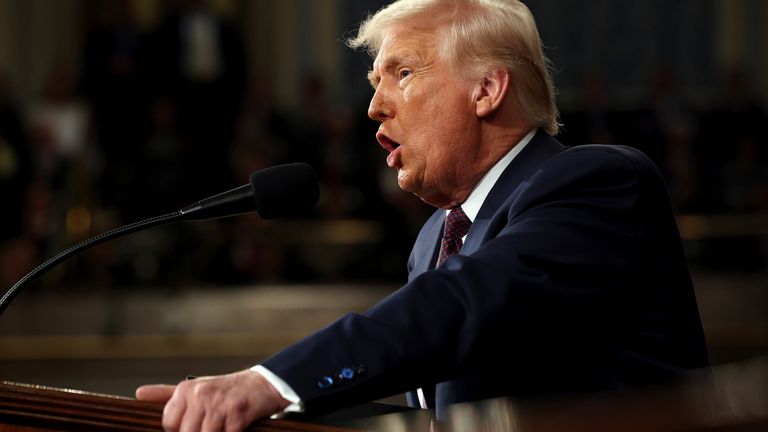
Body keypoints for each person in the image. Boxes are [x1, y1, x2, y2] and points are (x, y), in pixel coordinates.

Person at [136, 0, 709, 430]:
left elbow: (463, 305)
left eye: (402, 74)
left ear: (486, 89)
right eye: (374, 82)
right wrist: (273, 415)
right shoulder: (436, 235)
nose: (373, 106)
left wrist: (271, 383)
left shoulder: (599, 182)